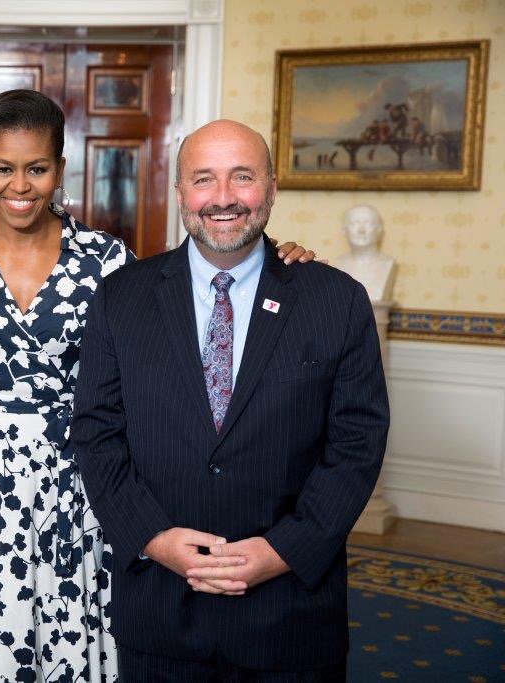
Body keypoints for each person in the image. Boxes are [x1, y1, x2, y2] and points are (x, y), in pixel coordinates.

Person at [0, 92, 315, 682]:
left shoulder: (105, 262)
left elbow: (177, 327)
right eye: (3, 167)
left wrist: (276, 257)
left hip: (77, 480)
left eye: (37, 168)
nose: (20, 184)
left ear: (60, 170)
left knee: (69, 628)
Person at [72, 119, 389, 681]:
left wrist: (284, 550)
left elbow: (356, 447)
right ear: (179, 195)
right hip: (160, 610)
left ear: (270, 190)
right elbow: (97, 432)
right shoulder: (121, 297)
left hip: (290, 614)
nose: (222, 198)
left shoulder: (336, 300)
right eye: (203, 179)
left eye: (242, 178)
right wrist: (152, 538)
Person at [333, 204, 396, 302]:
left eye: (368, 223)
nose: (361, 230)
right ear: (343, 230)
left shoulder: (387, 263)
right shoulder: (337, 264)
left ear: (379, 230)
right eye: (354, 223)